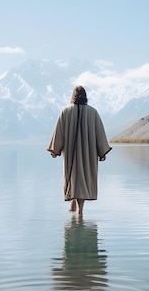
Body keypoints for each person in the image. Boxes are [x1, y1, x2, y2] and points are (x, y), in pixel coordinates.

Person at [47, 85, 112, 215]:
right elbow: (100, 133)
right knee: (84, 178)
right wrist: (101, 152)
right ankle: (80, 211)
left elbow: (58, 132)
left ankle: (73, 205)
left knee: (72, 176)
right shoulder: (93, 113)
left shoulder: (65, 111)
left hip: (71, 152)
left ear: (73, 97)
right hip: (88, 153)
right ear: (85, 97)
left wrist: (55, 150)